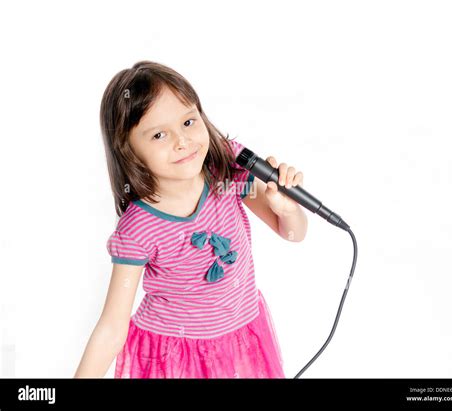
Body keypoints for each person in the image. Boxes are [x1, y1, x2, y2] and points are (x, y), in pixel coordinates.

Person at [74, 60, 308, 379]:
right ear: (128, 150)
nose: (182, 141)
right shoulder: (139, 227)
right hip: (175, 356)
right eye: (159, 134)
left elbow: (293, 233)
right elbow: (112, 328)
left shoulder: (225, 173)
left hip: (243, 334)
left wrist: (287, 208)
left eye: (187, 122)